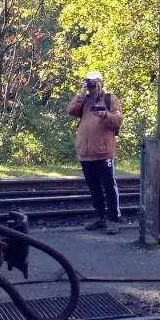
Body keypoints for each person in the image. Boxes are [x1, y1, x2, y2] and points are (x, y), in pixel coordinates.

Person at [67, 70, 123, 235]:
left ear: (101, 83)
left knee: (109, 187)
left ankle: (113, 220)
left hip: (104, 153)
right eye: (89, 83)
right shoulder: (84, 101)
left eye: (94, 83)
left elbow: (118, 120)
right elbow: (70, 110)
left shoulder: (110, 99)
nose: (92, 86)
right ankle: (101, 217)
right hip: (86, 153)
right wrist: (81, 92)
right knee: (94, 188)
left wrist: (105, 114)